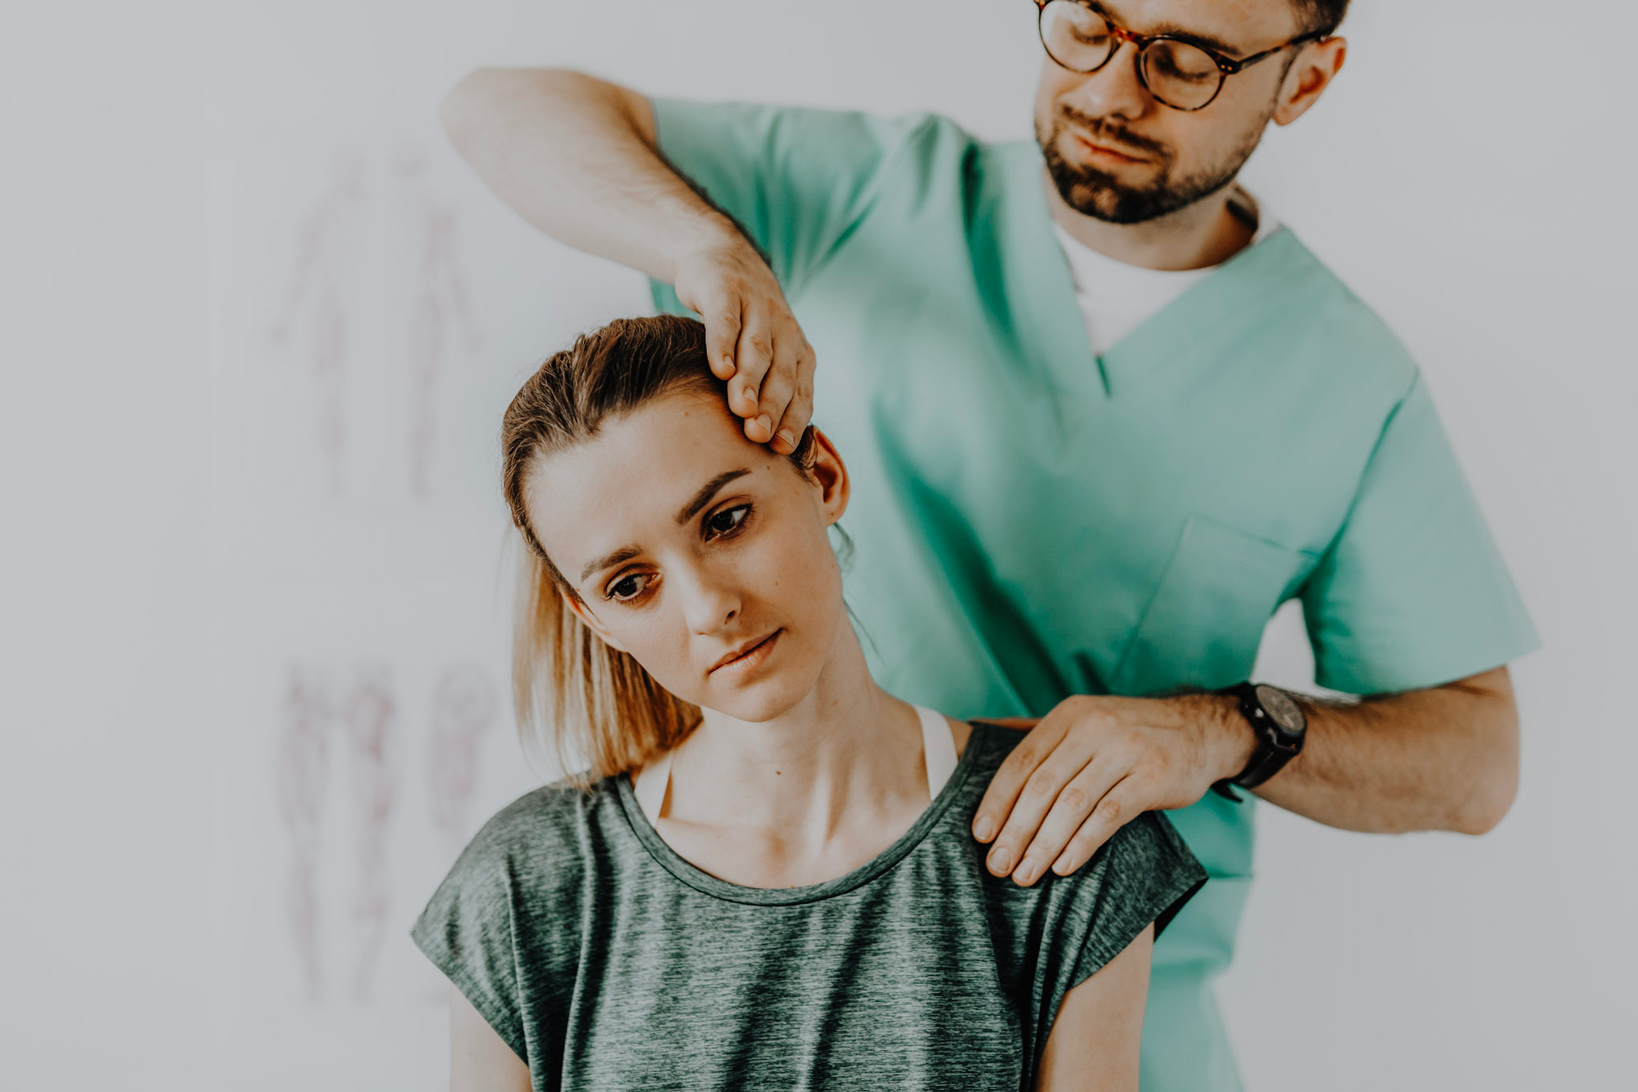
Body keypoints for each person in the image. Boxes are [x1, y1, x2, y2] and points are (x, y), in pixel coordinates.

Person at [437, 0, 1538, 1086]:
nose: (1111, 87)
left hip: (1111, 1001)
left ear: (1305, 78)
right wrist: (704, 246)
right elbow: (496, 106)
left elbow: (1476, 768)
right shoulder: (864, 196)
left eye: (1187, 59)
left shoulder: (1347, 381)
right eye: (1088, 23)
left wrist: (1219, 732)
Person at [411, 314, 1206, 1091]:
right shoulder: (525, 887)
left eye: (726, 521)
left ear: (821, 474)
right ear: (594, 620)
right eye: (630, 584)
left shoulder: (1066, 836)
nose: (705, 607)